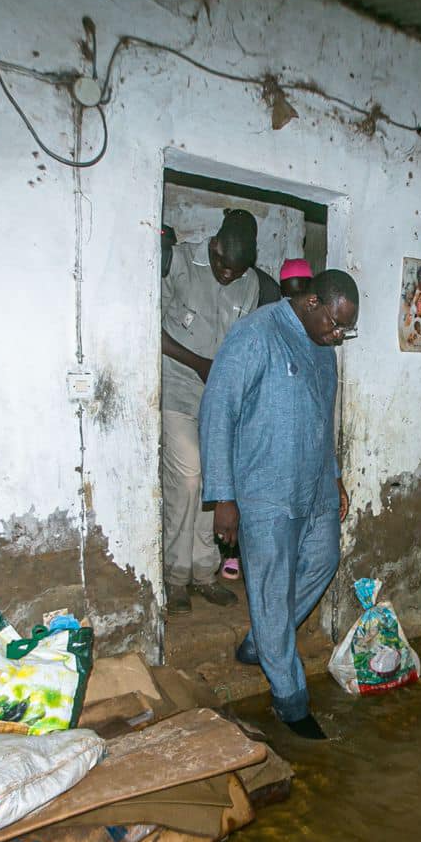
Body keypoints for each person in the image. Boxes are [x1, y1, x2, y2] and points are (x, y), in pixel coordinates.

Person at [199, 270, 359, 740]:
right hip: (264, 493)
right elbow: (218, 410)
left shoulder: (324, 350)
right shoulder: (256, 334)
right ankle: (291, 701)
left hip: (314, 488)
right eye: (334, 324)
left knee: (324, 560)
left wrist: (335, 477)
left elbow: (322, 418)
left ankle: (263, 641)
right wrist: (223, 497)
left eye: (345, 329)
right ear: (311, 303)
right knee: (270, 592)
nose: (337, 336)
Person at [160, 210, 260, 614]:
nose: (227, 275)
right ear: (214, 245)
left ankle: (203, 574)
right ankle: (173, 574)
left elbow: (244, 345)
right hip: (178, 391)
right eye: (222, 265)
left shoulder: (249, 283)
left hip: (220, 403)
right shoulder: (179, 264)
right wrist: (199, 363)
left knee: (215, 485)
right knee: (187, 479)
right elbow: (149, 325)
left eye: (235, 271)